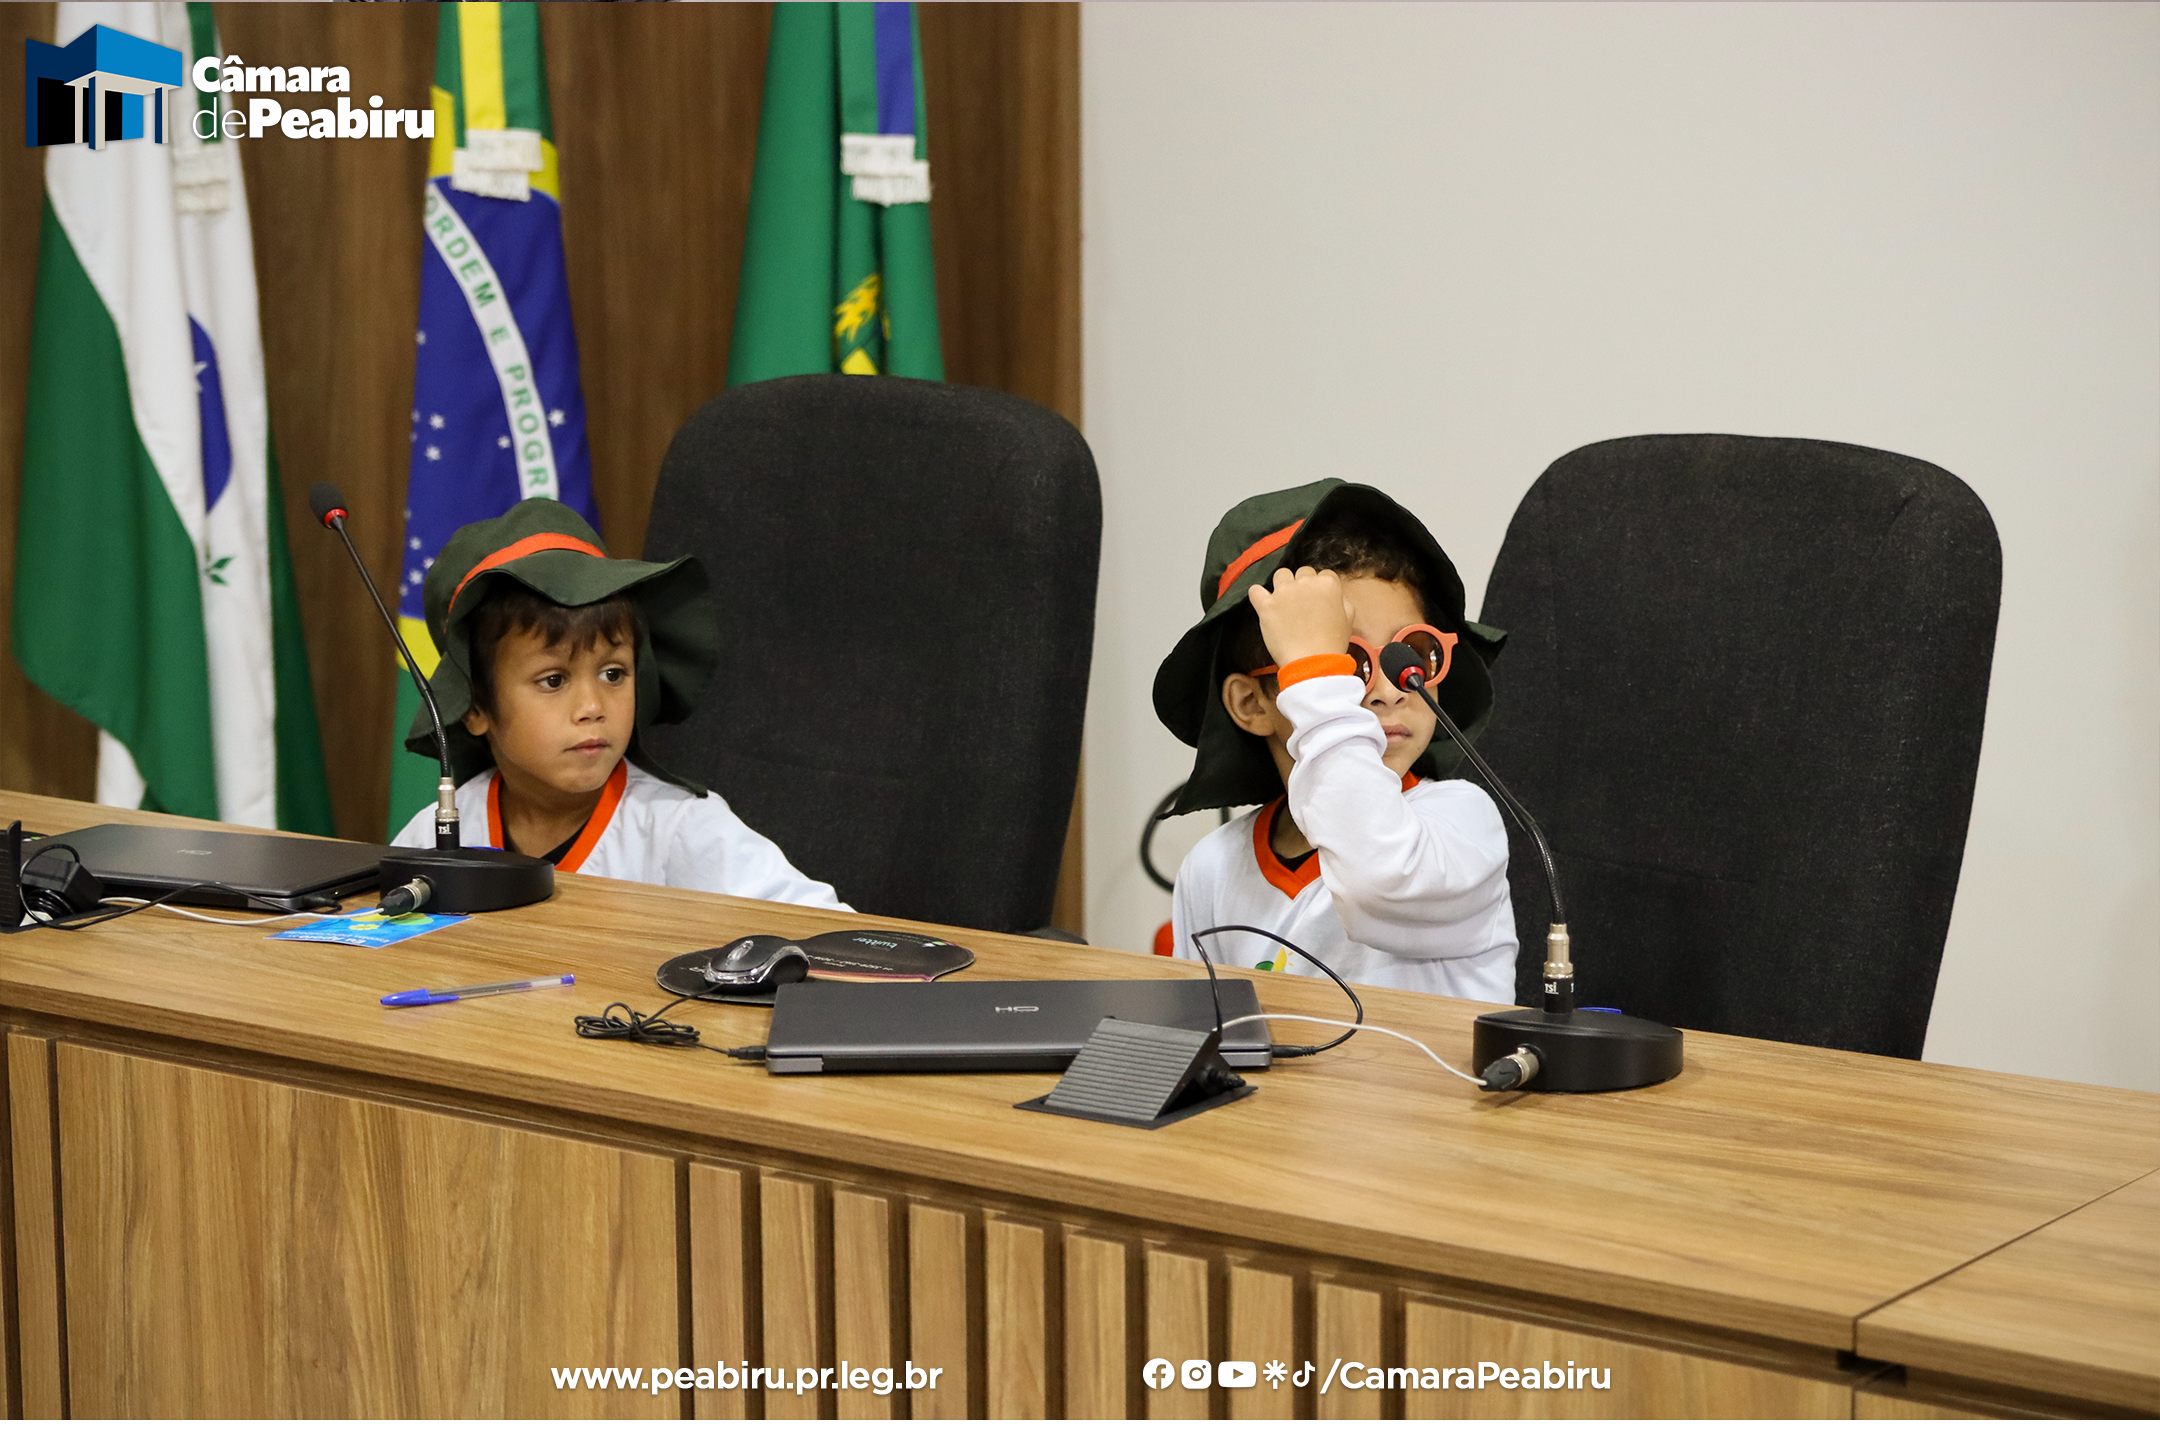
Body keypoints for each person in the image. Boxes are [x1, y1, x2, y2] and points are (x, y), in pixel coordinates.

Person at [388, 499, 846, 910]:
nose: (592, 706)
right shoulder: (438, 832)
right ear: (474, 707)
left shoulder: (679, 827)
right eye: (553, 680)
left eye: (613, 674)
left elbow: (830, 935)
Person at [1154, 479, 1516, 999]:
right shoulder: (1212, 867)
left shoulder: (1463, 824)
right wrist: (1316, 674)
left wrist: (1316, 678)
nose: (1390, 691)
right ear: (1252, 704)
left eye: (1411, 651)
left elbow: (1375, 879)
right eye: (1346, 663)